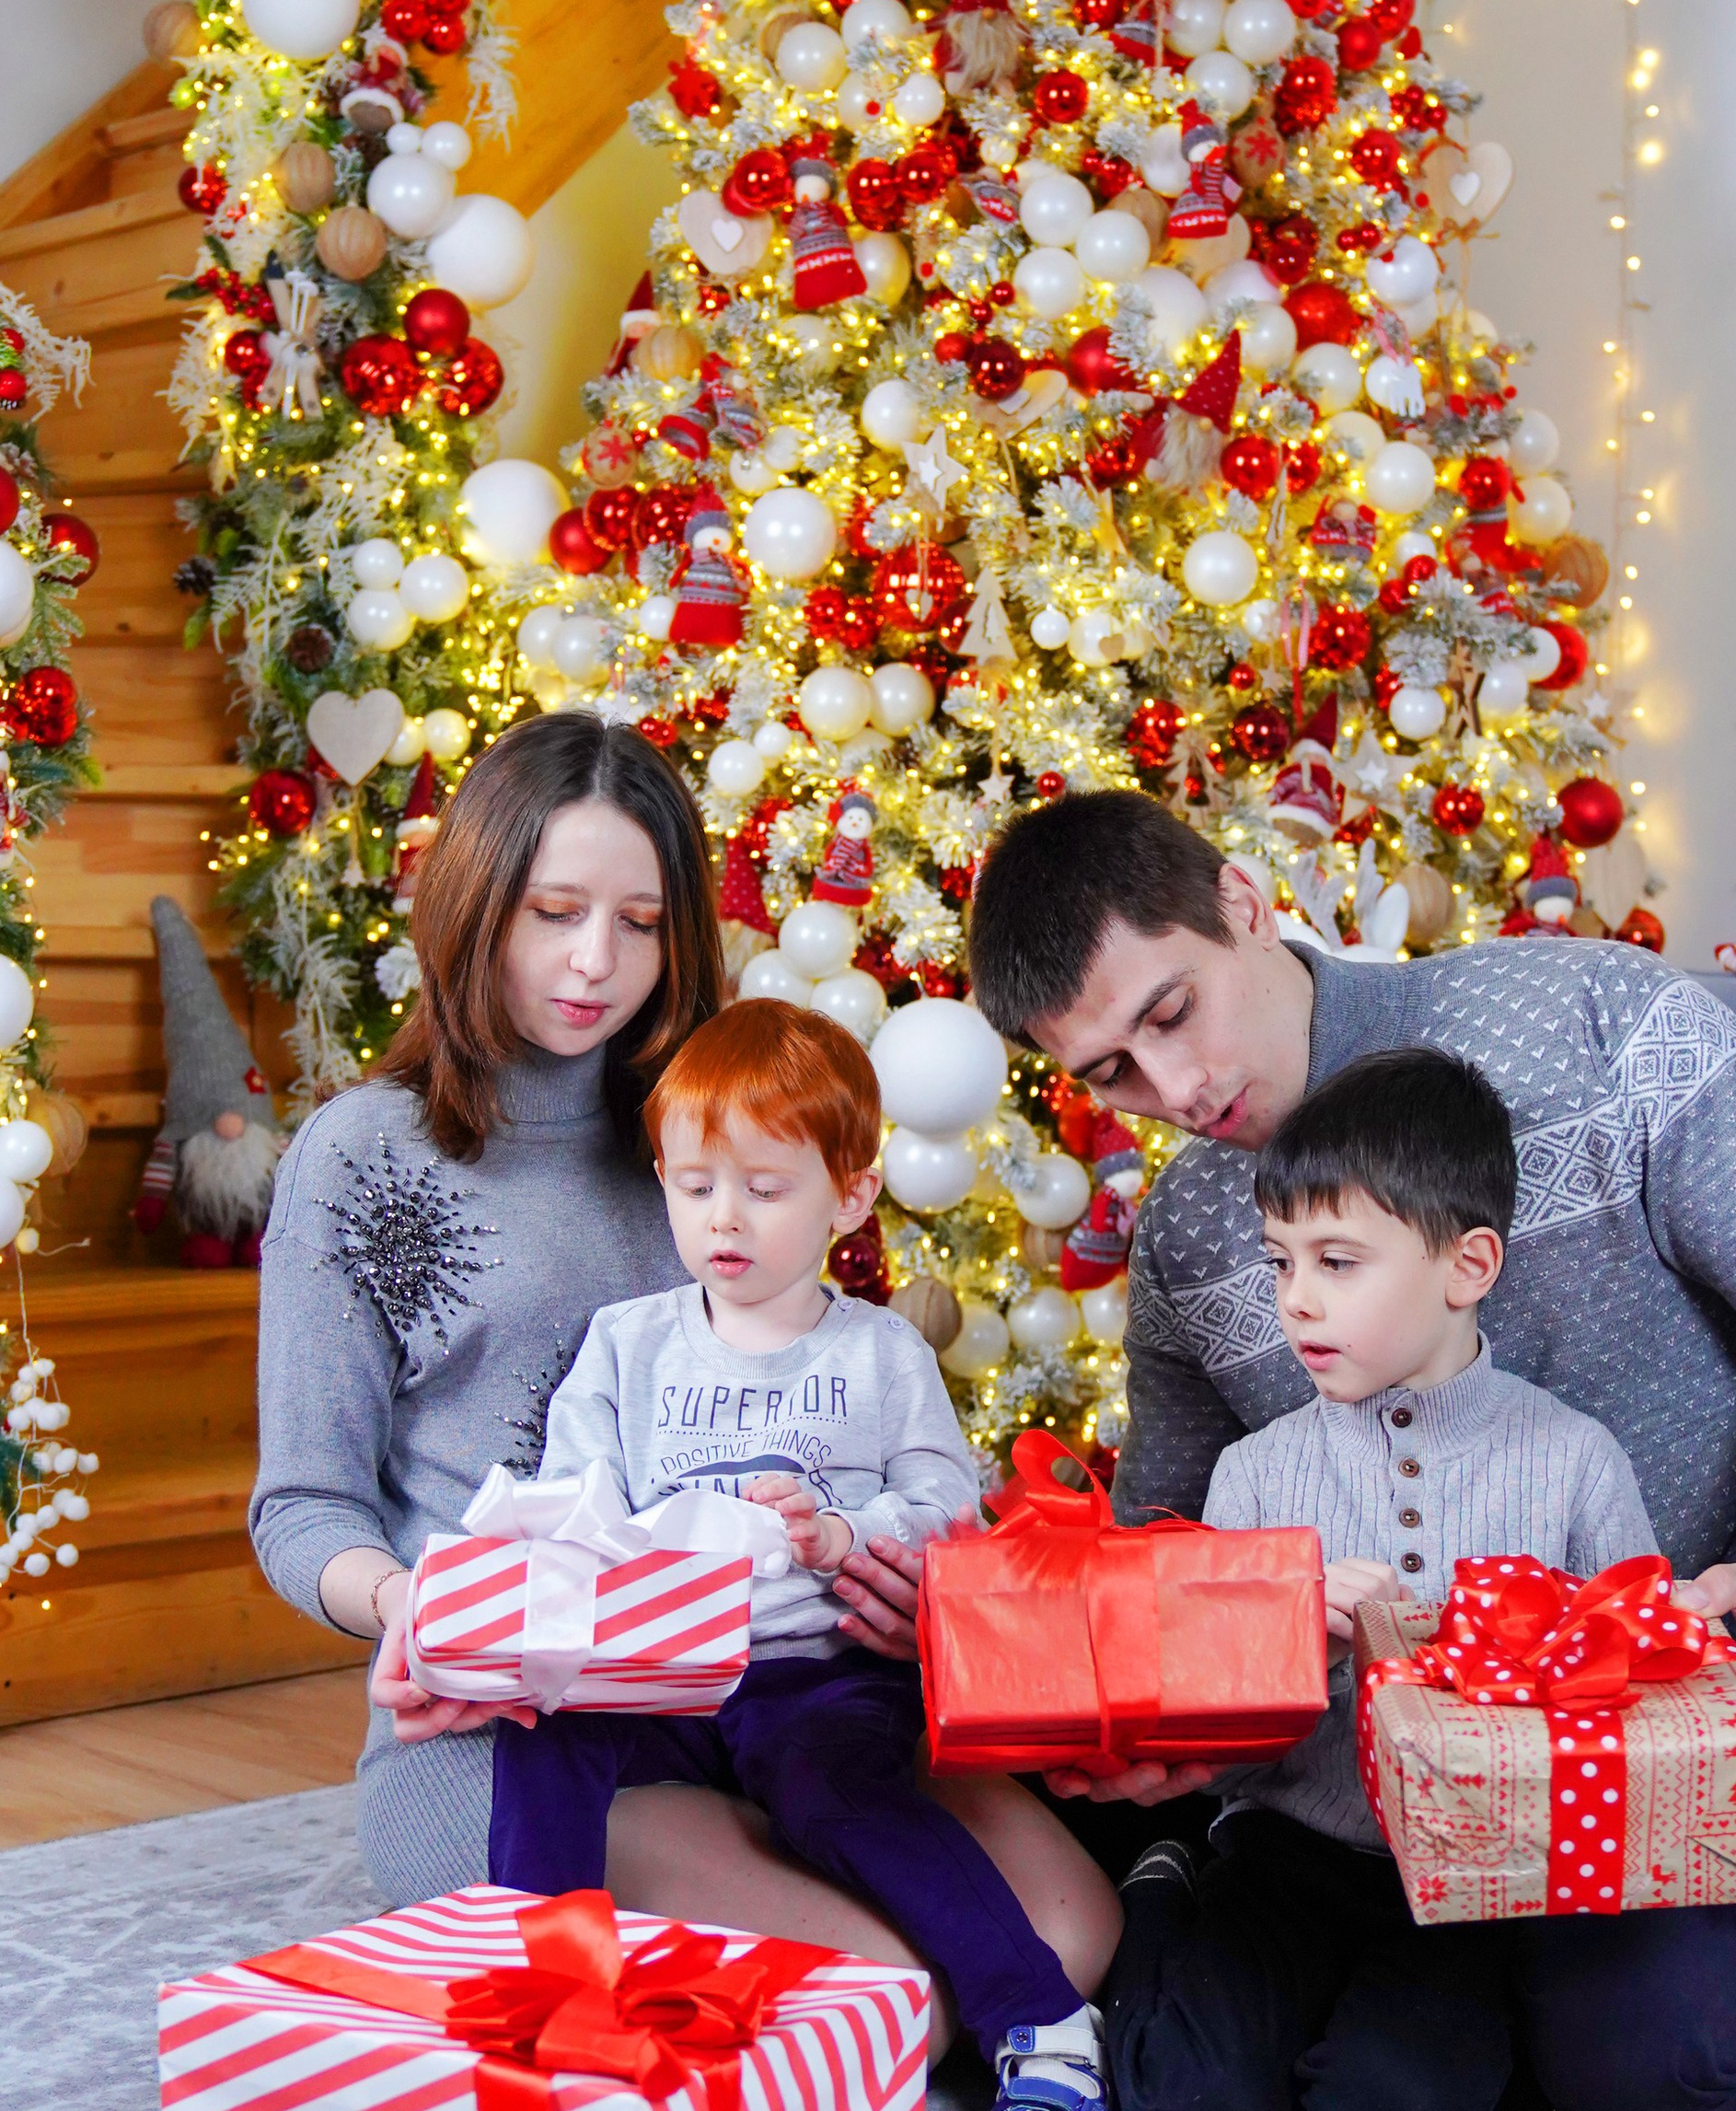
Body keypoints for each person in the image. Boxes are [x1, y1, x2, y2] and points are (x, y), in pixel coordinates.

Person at [968, 788, 1736, 2111]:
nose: (1174, 1091)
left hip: (1682, 1723)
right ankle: (1345, 1974)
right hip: (1366, 1777)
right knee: (1281, 2051)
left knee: (1645, 2070)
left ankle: (1444, 1999)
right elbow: (1173, 1554)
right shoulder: (1195, 1237)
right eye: (1114, 1075)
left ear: (1246, 904)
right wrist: (1159, 1724)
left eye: (1173, 1012)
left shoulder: (1604, 1027)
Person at [249, 713, 1116, 2032]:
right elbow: (301, 1506)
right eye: (553, 911)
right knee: (894, 2000)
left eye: (642, 923)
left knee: (1073, 1934)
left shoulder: (714, 1130)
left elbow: (836, 1410)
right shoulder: (365, 1159)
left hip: (785, 1686)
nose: (595, 962)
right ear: (475, 904)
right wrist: (422, 1611)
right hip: (528, 1727)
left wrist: (879, 1575)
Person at [491, 997, 1114, 2111]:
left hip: (814, 1678)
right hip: (661, 1672)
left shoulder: (877, 1355)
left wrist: (839, 1534)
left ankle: (1039, 2026)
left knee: (839, 1789)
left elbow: (948, 1508)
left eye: (766, 1190)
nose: (724, 1220)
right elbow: (573, 1505)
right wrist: (610, 1563)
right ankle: (547, 2000)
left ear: (851, 1196)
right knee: (542, 1728)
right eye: (694, 1188)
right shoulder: (628, 1345)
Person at [1104, 1046, 1669, 2111]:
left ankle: (1404, 2041)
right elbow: (1215, 1738)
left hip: (1470, 1892)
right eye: (1281, 1264)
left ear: (1467, 1267)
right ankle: (1156, 1892)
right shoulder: (1257, 1475)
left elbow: (1632, 1711)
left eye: (1339, 1262)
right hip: (1280, 1853)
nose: (1297, 1300)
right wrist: (1289, 1640)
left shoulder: (1572, 1463)